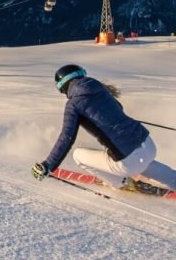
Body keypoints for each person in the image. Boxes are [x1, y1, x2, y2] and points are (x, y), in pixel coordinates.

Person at [31, 64, 176, 192]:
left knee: (78, 155)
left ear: (63, 87)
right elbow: (118, 108)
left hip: (128, 162)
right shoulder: (100, 89)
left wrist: (48, 165)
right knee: (142, 160)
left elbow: (67, 137)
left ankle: (122, 183)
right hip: (149, 146)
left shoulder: (73, 104)